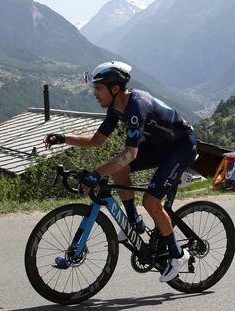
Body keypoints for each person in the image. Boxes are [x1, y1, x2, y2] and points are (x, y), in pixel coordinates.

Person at [44, 61, 197, 283]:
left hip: (181, 147)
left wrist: (96, 174)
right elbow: (97, 141)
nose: (94, 94)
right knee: (119, 168)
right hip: (160, 145)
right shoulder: (116, 107)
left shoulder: (136, 106)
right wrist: (63, 138)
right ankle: (134, 221)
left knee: (151, 201)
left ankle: (178, 254)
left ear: (115, 89)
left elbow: (131, 153)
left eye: (98, 88)